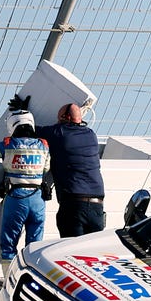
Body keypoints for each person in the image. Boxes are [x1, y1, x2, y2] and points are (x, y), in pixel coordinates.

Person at [0, 99, 51, 277]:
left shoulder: (8, 144)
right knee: (34, 247)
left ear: (12, 126)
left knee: (8, 244)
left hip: (16, 198)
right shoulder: (43, 145)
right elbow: (46, 168)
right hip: (38, 199)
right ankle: (32, 280)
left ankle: (8, 283)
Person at [33, 100, 106, 237]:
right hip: (97, 205)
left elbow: (29, 129)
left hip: (74, 204)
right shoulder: (91, 134)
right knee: (92, 255)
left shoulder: (58, 133)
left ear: (65, 118)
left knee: (72, 252)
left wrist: (22, 111)